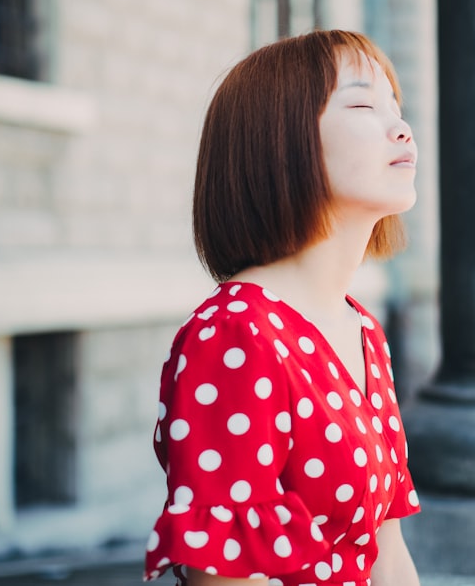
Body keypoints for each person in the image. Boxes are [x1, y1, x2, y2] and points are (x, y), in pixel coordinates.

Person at [143, 29, 422, 586]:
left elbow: (385, 553)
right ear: (281, 142)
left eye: (397, 106)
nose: (401, 127)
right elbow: (223, 576)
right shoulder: (235, 335)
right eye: (365, 103)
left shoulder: (363, 329)